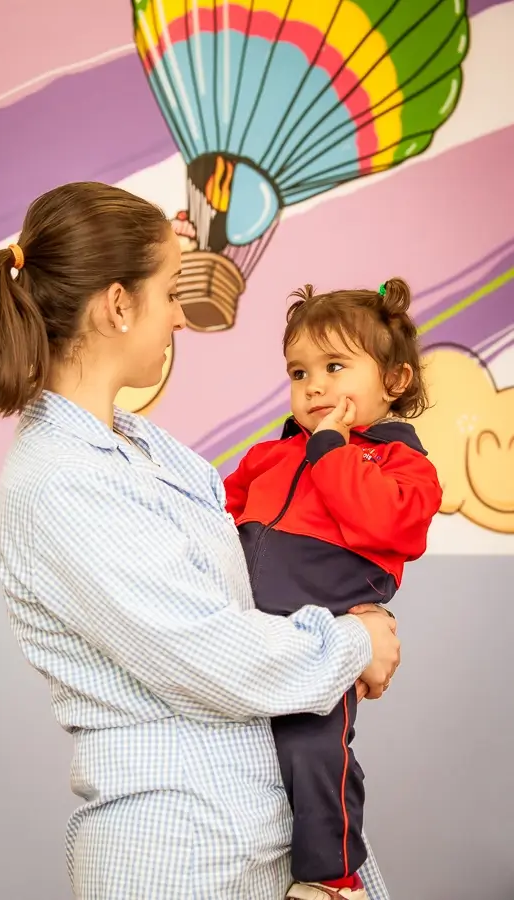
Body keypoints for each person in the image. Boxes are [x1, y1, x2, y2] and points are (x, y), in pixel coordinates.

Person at [0, 181, 400, 900]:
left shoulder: (140, 448)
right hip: (181, 853)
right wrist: (354, 643)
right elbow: (211, 654)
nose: (179, 321)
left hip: (241, 830)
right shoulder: (62, 483)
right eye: (168, 294)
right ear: (118, 304)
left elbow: (241, 600)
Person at [224, 282, 443, 900]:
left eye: (335, 367)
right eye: (300, 371)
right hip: (248, 635)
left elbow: (382, 523)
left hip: (323, 643)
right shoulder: (269, 456)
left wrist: (329, 450)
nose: (314, 385)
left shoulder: (402, 467)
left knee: (315, 753)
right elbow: (217, 518)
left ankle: (331, 880)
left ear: (394, 381)